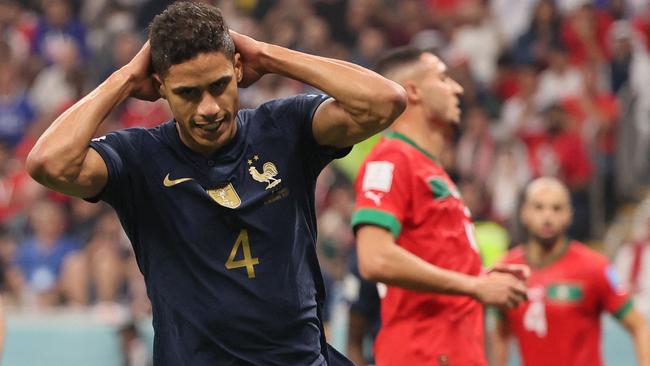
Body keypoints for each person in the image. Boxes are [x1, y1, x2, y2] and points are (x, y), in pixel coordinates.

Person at [25, 2, 406, 365]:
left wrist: (269, 55)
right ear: (159, 87)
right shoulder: (139, 158)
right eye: (188, 94)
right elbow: (47, 162)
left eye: (219, 85)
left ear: (238, 68)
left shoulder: (284, 128)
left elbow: (385, 100)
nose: (209, 108)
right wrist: (123, 78)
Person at [351, 47, 528, 366]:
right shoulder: (392, 159)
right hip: (423, 353)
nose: (457, 88)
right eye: (443, 78)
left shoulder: (432, 171)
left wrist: (479, 275)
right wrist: (474, 285)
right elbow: (374, 258)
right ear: (414, 91)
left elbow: (428, 260)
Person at [489, 177, 650, 366]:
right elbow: (500, 334)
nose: (547, 217)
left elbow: (638, 326)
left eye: (556, 208)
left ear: (569, 215)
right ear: (524, 213)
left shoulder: (595, 267)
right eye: (539, 207)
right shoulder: (507, 270)